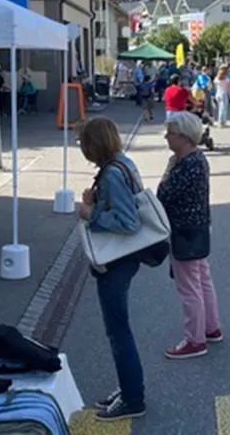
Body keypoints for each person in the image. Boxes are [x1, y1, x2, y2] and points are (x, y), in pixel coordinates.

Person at [77, 117, 146, 422]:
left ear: (94, 144)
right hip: (125, 260)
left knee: (119, 332)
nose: (81, 148)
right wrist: (96, 201)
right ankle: (129, 388)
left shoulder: (113, 174)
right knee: (118, 330)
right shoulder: (123, 162)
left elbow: (128, 223)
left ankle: (133, 398)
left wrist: (91, 214)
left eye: (83, 143)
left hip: (117, 260)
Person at [157, 113, 222, 359]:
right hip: (198, 228)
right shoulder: (197, 159)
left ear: (183, 137)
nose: (166, 137)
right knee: (202, 279)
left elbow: (165, 193)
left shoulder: (186, 165)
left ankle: (195, 339)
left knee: (189, 287)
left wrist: (168, 170)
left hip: (184, 231)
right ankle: (210, 327)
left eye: (171, 133)